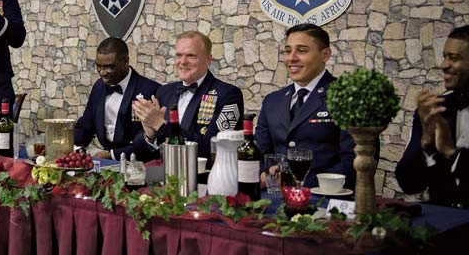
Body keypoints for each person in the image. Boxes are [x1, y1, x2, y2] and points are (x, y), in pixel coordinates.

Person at [255, 23, 355, 189]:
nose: (291, 58)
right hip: (272, 198)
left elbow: (354, 162)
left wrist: (294, 183)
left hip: (323, 199)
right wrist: (264, 175)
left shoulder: (346, 97)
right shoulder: (272, 101)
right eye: (288, 50)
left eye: (302, 51)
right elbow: (259, 152)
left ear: (325, 55)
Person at [132, 31, 244, 161]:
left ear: (208, 59)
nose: (183, 61)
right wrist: (150, 135)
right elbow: (139, 152)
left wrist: (161, 124)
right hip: (165, 176)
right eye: (179, 55)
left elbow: (212, 148)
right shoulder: (164, 92)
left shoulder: (228, 95)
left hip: (204, 178)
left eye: (191, 56)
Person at [396, 25, 469, 208]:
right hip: (440, 223)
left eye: (454, 58)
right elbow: (409, 185)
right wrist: (426, 145)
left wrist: (451, 152)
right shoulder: (436, 109)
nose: (444, 65)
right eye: (444, 56)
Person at [74, 38, 160, 160]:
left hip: (138, 164)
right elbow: (86, 126)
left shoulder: (151, 90)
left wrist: (112, 155)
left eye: (109, 67)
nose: (102, 72)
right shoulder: (99, 87)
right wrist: (68, 146)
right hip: (103, 161)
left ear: (126, 61)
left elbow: (149, 141)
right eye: (99, 66)